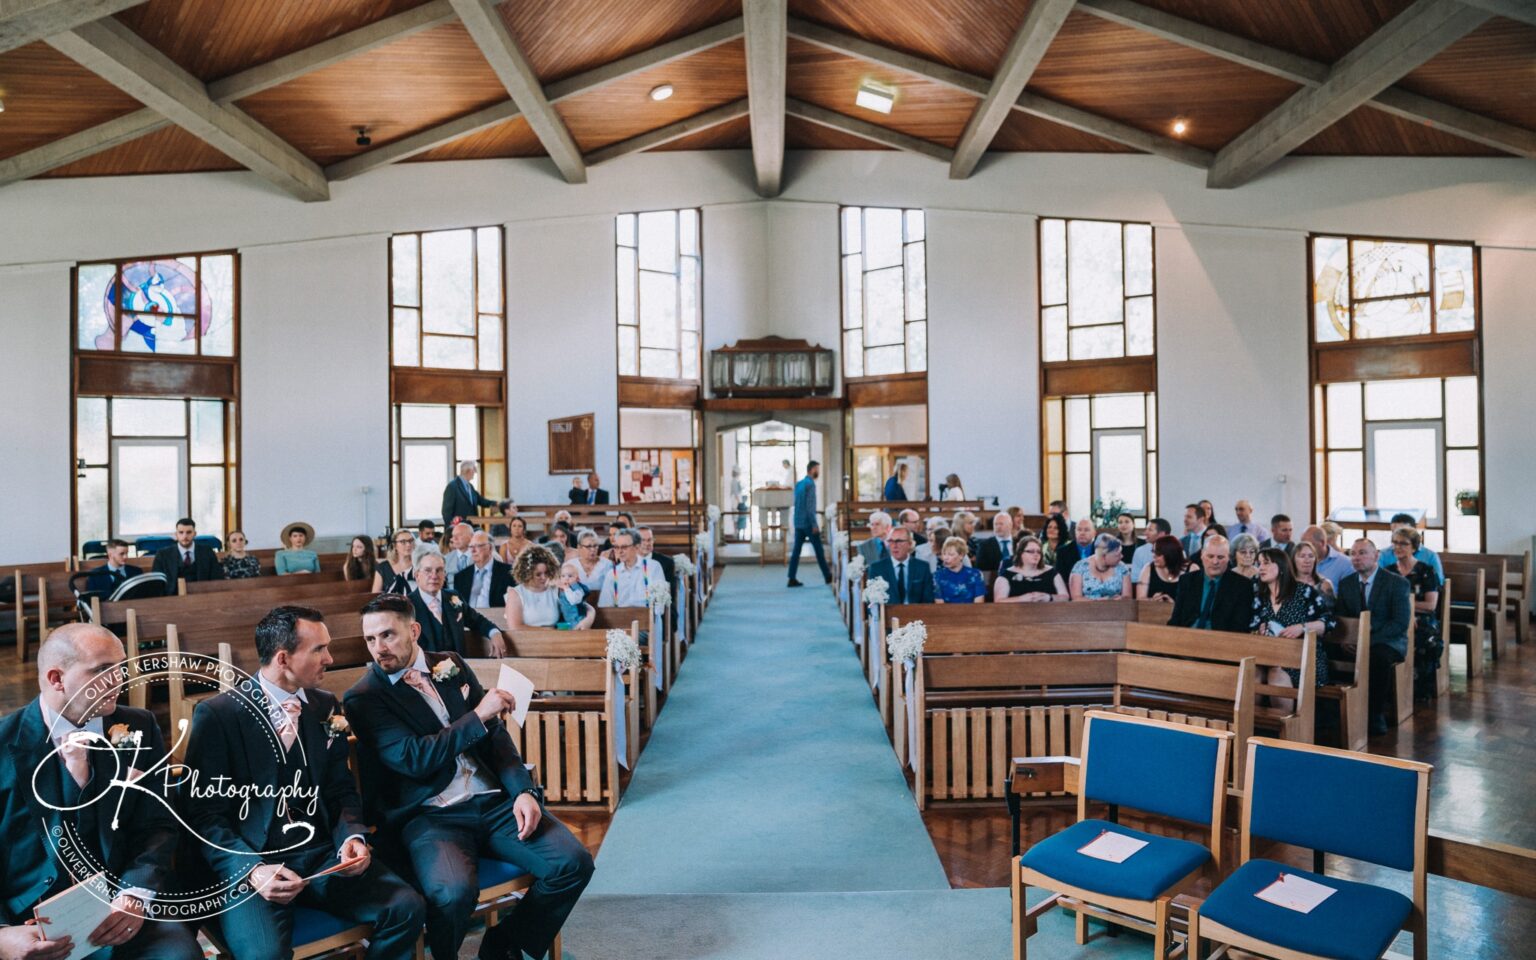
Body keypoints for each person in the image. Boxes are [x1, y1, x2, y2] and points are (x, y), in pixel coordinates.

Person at [346, 595, 594, 960]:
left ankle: (504, 944)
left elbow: (494, 736)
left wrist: (523, 791)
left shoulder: (451, 664)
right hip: (430, 815)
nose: (378, 649)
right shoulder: (365, 697)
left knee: (574, 863)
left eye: (388, 635)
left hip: (493, 801)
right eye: (370, 639)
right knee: (452, 893)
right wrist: (477, 715)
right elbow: (413, 759)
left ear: (413, 630)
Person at [184, 607, 427, 960]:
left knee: (406, 907)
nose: (330, 658)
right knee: (263, 955)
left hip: (321, 857)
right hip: (253, 865)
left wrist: (351, 838)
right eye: (319, 650)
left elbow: (339, 788)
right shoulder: (220, 714)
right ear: (283, 658)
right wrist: (252, 870)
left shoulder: (324, 705)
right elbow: (203, 815)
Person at [0, 624, 203, 960]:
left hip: (122, 906)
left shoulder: (140, 727)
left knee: (182, 954)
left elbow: (158, 825)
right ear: (56, 679)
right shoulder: (5, 742)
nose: (120, 679)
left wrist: (135, 894)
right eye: (102, 670)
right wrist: (3, 938)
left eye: (122, 666)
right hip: (29, 922)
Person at [1333, 538, 1413, 735]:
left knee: (1377, 658)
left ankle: (1375, 714)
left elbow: (1399, 623)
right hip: (1354, 640)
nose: (1357, 558)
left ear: (1376, 555)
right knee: (1325, 651)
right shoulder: (1346, 584)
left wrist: (1366, 642)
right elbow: (1342, 618)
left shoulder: (1396, 583)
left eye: (1362, 553)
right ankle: (1334, 712)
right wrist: (1346, 641)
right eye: (1353, 553)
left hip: (1387, 641)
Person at [1250, 548, 1335, 699]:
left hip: (1302, 659)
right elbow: (1249, 627)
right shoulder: (1259, 595)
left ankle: (1286, 722)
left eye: (1266, 563)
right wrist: (1259, 630)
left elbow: (1329, 622)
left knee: (1275, 674)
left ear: (1281, 566)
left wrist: (1302, 628)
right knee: (1253, 673)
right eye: (1259, 563)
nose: (1261, 567)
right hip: (1269, 655)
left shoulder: (1303, 592)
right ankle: (1253, 721)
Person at [409, 547, 506, 657]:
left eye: (439, 570)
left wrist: (494, 633)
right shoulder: (407, 606)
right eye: (428, 570)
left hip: (459, 666)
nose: (434, 576)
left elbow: (477, 620)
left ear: (445, 574)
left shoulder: (453, 597)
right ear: (417, 575)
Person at [1388, 526, 1443, 699]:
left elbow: (1430, 605)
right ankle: (1392, 689)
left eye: (1403, 544)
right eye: (1395, 543)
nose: (1398, 547)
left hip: (1422, 617)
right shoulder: (1388, 571)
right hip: (1394, 617)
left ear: (1414, 547)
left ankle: (1421, 689)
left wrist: (1408, 607)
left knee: (1424, 639)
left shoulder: (1425, 570)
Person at [1169, 535, 1256, 632]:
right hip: (1186, 636)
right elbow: (1175, 619)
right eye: (1210, 556)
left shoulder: (1242, 586)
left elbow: (1240, 627)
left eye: (1220, 557)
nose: (1215, 562)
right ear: (1202, 555)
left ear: (1228, 558)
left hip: (1221, 641)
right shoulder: (1187, 580)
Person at [507, 545, 592, 630]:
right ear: (527, 573)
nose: (544, 577)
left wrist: (589, 618)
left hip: (554, 639)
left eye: (546, 572)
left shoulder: (555, 589)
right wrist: (547, 631)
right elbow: (515, 627)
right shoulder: (516, 593)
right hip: (527, 640)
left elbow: (581, 605)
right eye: (538, 574)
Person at [787, 461, 832, 587]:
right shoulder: (810, 484)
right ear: (812, 470)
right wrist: (814, 524)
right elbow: (810, 507)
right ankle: (828, 576)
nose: (818, 471)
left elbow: (797, 504)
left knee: (796, 551)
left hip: (798, 522)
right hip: (808, 523)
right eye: (817, 469)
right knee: (819, 550)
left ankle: (791, 577)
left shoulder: (799, 484)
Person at [867, 527, 934, 604]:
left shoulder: (922, 567)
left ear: (910, 544)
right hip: (887, 614)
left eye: (899, 541)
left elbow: (928, 600)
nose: (894, 546)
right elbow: (872, 603)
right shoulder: (877, 568)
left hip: (916, 614)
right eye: (891, 541)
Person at [599, 529, 665, 607]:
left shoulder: (653, 567)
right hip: (620, 617)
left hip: (647, 617)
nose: (620, 551)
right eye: (616, 547)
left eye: (624, 547)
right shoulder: (612, 573)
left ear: (637, 547)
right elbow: (605, 606)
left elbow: (660, 603)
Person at [152, 516, 224, 586]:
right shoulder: (163, 555)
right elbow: (157, 582)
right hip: (172, 596)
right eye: (181, 532)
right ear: (176, 534)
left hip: (202, 594)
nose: (185, 536)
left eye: (189, 532)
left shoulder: (207, 552)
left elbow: (217, 578)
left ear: (194, 534)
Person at [994, 536, 1067, 603]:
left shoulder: (1051, 572)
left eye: (1038, 552)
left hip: (1049, 614)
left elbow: (1065, 597)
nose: (1036, 554)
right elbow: (998, 602)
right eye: (1031, 551)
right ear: (1020, 553)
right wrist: (1021, 599)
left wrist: (1049, 597)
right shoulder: (1006, 575)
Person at [455, 531, 514, 609]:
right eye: (471, 546)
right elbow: (457, 607)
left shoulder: (508, 573)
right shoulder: (461, 577)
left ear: (490, 548)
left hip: (496, 619)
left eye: (478, 546)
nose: (473, 551)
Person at [442, 460, 506, 528]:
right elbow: (446, 512)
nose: (474, 473)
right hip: (458, 529)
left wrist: (495, 503)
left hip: (472, 526)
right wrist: (452, 527)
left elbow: (481, 500)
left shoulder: (470, 486)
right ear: (468, 471)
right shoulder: (452, 487)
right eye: (474, 470)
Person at [1070, 533, 1132, 600]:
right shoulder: (1080, 567)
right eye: (1117, 554)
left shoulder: (1122, 568)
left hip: (1115, 608)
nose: (1121, 556)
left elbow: (1127, 598)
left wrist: (1119, 600)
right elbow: (1076, 598)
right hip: (1086, 609)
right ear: (1104, 555)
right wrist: (1098, 603)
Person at [933, 537, 987, 604]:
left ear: (961, 555)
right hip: (946, 613)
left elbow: (979, 603)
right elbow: (939, 605)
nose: (946, 558)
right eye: (944, 554)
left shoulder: (976, 574)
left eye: (950, 554)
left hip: (972, 613)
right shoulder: (937, 575)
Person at [1389, 513, 1444, 579]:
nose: (1398, 546)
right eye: (1394, 532)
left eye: (1403, 533)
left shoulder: (1430, 556)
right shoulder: (1384, 554)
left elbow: (1438, 581)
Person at [1136, 535, 1185, 602]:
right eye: (1153, 552)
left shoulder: (1191, 569)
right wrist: (1152, 600)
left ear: (1170, 554)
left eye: (1158, 554)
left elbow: (1195, 602)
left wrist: (1174, 604)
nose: (1154, 556)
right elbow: (1139, 599)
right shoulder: (1148, 568)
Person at [973, 511, 1016, 577]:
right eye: (995, 524)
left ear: (1010, 525)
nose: (998, 527)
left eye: (1001, 524)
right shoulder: (984, 545)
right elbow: (980, 569)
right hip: (993, 580)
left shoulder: (1019, 542)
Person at [1053, 517, 1096, 582]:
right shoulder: (1063, 552)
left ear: (1094, 533)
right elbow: (1060, 579)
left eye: (1086, 530)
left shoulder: (1101, 551)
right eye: (1079, 529)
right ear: (1075, 532)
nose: (1082, 533)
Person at [572, 529, 614, 594]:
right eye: (588, 546)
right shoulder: (571, 565)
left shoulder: (607, 565)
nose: (593, 549)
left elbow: (613, 589)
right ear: (579, 547)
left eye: (595, 546)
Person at [554, 561, 594, 629]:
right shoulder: (560, 589)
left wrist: (566, 589)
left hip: (578, 618)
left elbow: (574, 600)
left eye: (570, 576)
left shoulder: (578, 589)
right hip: (566, 619)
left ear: (577, 579)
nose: (566, 578)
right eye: (563, 576)